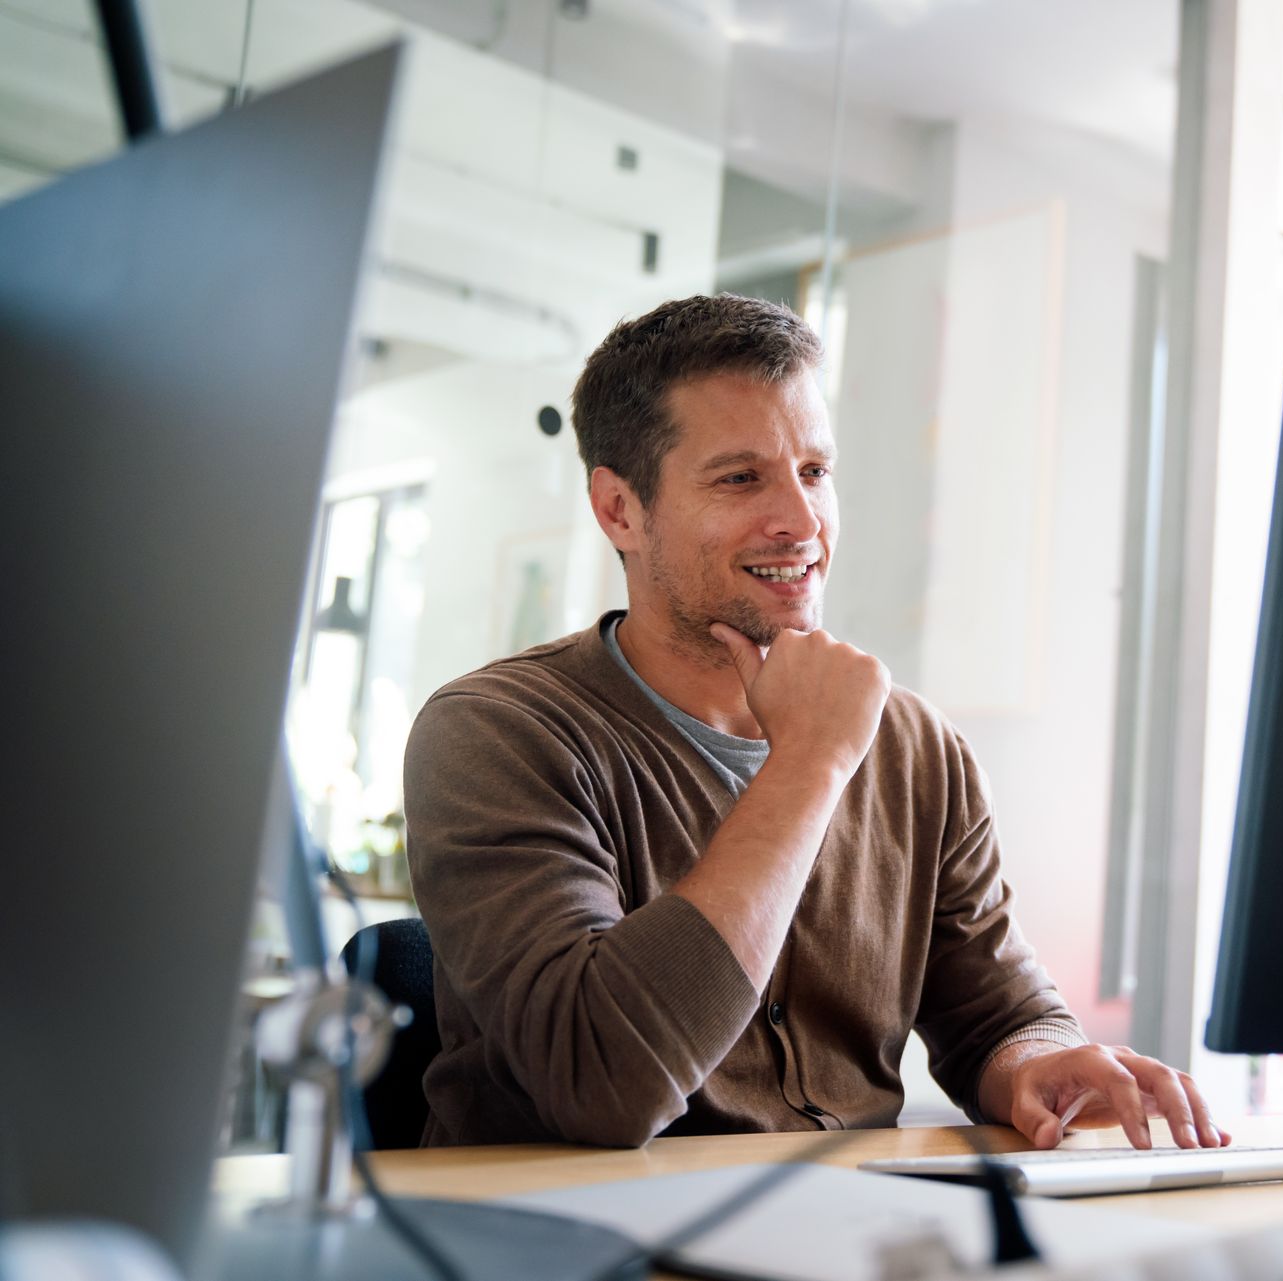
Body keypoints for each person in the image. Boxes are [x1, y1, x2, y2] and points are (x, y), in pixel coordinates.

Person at [403, 294, 1229, 1153]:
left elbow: (1002, 1013)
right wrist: (808, 764)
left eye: (816, 472)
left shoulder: (916, 747)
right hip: (559, 1238)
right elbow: (603, 1082)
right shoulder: (496, 733)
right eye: (740, 477)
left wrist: (1039, 1063)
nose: (802, 523)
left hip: (839, 1226)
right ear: (620, 510)